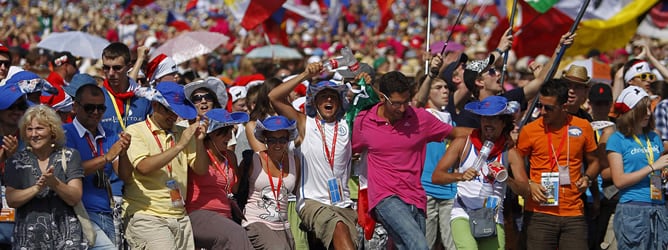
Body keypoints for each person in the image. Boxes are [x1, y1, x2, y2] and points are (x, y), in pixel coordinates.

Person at [352, 71, 471, 250]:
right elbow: (349, 150)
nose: (402, 109)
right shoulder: (364, 121)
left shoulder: (419, 118)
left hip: (416, 196)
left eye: (406, 102)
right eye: (396, 103)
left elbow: (455, 133)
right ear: (382, 98)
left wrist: (490, 135)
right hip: (385, 197)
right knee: (420, 245)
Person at [268, 63, 357, 249]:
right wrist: (304, 74)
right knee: (340, 230)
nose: (329, 99)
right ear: (315, 102)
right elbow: (274, 97)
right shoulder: (304, 123)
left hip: (343, 203)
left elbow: (382, 106)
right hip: (312, 202)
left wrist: (365, 82)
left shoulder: (347, 125)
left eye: (333, 96)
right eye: (323, 96)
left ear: (340, 102)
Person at [432, 95, 529, 249]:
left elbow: (525, 191)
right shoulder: (463, 143)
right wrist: (460, 176)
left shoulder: (510, 152)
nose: (488, 123)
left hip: (492, 217)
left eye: (494, 118)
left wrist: (506, 179)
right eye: (485, 118)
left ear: (503, 123)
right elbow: (436, 176)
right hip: (463, 212)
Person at [122, 81, 210, 249]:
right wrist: (180, 145)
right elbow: (143, 167)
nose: (173, 116)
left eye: (176, 111)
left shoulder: (181, 132)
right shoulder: (135, 131)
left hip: (179, 216)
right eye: (168, 110)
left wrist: (199, 142)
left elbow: (201, 169)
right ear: (155, 105)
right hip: (147, 215)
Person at [517, 79, 600, 249]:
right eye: (540, 105)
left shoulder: (583, 126)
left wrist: (587, 178)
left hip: (574, 213)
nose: (542, 112)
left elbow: (595, 161)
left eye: (549, 108)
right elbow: (514, 161)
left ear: (564, 107)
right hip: (539, 214)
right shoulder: (530, 130)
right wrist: (529, 184)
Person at [63, 74, 132, 249]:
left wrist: (123, 152)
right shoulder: (65, 132)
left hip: (105, 212)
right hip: (77, 213)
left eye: (100, 108)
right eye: (89, 108)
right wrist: (106, 157)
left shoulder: (108, 133)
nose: (96, 113)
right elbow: (70, 171)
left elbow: (125, 175)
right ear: (75, 106)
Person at [5, 105, 86, 249]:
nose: (34, 134)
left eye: (39, 128)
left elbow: (75, 196)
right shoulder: (16, 160)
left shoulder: (69, 156)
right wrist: (37, 188)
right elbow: (11, 199)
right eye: (29, 129)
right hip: (28, 242)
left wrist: (55, 183)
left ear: (53, 131)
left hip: (67, 240)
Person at [100, 42, 152, 245]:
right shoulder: (96, 99)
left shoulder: (143, 99)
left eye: (116, 68)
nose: (110, 73)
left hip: (140, 187)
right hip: (108, 188)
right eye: (106, 68)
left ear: (128, 67)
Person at [606, 86, 668, 249]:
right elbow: (619, 181)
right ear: (631, 112)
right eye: (643, 109)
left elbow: (659, 172)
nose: (648, 113)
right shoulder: (617, 139)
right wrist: (652, 166)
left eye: (649, 108)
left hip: (658, 207)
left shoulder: (654, 137)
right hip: (632, 209)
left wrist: (663, 172)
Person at [185, 108, 253, 250]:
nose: (230, 137)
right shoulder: (197, 152)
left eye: (231, 131)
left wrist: (244, 167)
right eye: (225, 133)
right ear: (211, 134)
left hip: (225, 216)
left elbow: (234, 188)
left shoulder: (230, 156)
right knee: (237, 235)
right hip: (199, 213)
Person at [413, 65, 457, 249]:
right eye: (438, 87)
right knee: (427, 244)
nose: (445, 91)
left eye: (446, 87)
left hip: (451, 190)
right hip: (427, 189)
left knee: (452, 244)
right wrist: (430, 75)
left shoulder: (452, 120)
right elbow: (417, 102)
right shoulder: (420, 117)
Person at [243, 116, 301, 249]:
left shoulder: (294, 161)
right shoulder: (254, 160)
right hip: (255, 221)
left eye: (282, 140)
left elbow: (295, 190)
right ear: (265, 140)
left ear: (288, 139)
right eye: (272, 140)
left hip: (283, 225)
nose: (278, 144)